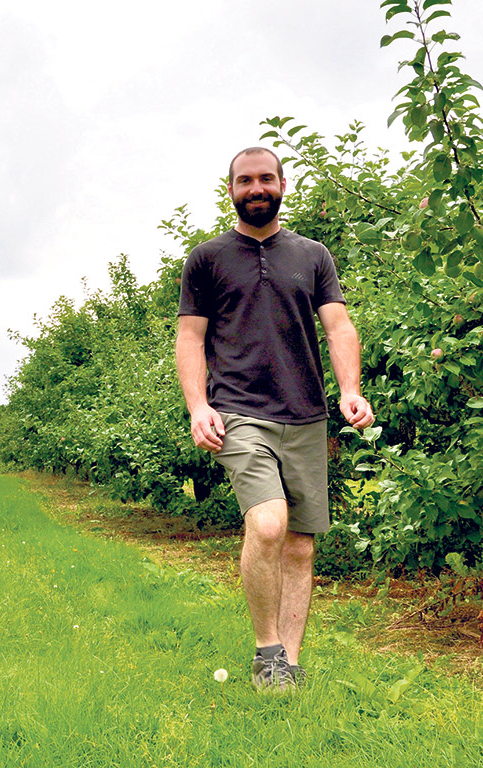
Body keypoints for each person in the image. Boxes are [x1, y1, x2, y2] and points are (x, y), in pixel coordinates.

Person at [174, 147, 374, 691]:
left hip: (306, 414)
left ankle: (290, 661)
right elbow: (190, 338)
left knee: (301, 544)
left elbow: (338, 327)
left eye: (266, 178)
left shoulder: (313, 255)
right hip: (239, 410)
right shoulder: (207, 258)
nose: (256, 187)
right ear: (231, 189)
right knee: (268, 523)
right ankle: (267, 653)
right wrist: (199, 406)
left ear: (283, 184)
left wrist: (350, 391)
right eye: (245, 180)